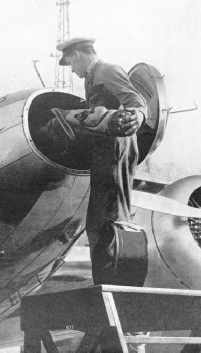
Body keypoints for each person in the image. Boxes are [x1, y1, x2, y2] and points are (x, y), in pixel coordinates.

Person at [47, 37, 148, 253]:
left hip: (116, 148)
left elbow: (136, 101)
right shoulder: (92, 76)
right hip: (104, 150)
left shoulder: (109, 70)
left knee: (111, 218)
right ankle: (106, 273)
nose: (72, 70)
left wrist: (139, 115)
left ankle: (115, 271)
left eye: (71, 63)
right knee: (98, 219)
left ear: (76, 55)